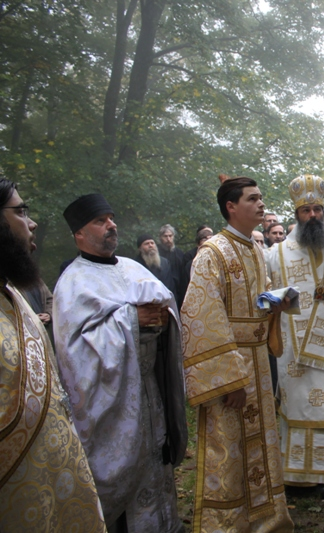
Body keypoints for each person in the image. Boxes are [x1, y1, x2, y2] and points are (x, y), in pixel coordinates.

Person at [53, 193, 187, 531]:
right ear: (79, 234)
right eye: (100, 221)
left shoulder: (132, 267)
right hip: (113, 402)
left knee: (157, 463)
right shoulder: (73, 282)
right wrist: (132, 320)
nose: (111, 225)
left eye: (111, 218)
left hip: (150, 391)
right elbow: (75, 353)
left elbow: (165, 309)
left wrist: (164, 317)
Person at [181, 175, 294, 532]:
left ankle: (266, 520)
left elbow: (256, 300)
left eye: (261, 198)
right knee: (229, 449)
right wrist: (229, 379)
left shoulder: (255, 249)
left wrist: (274, 302)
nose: (261, 204)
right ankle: (228, 524)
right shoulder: (212, 253)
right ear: (231, 207)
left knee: (262, 444)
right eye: (252, 198)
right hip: (232, 371)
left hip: (258, 362)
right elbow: (202, 315)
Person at [0, 179, 106, 531]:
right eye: (20, 211)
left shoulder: (12, 294)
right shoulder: (71, 281)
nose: (31, 223)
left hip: (49, 475)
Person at [264, 175, 324, 498]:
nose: (313, 215)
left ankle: (323, 474)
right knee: (296, 407)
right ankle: (293, 475)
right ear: (297, 214)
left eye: (317, 209)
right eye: (306, 210)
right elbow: (263, 294)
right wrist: (275, 302)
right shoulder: (277, 254)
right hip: (293, 347)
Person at [158, 223, 186, 305]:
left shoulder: (179, 253)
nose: (168, 239)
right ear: (160, 237)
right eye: (165, 236)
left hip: (178, 291)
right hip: (162, 290)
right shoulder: (156, 254)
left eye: (170, 236)